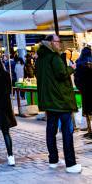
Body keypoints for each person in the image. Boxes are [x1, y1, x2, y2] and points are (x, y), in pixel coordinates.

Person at [36, 34, 81, 173]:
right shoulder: (54, 57)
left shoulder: (40, 59)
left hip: (49, 101)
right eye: (57, 41)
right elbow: (61, 74)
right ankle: (71, 164)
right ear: (50, 42)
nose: (60, 44)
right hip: (60, 101)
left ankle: (53, 160)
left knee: (51, 131)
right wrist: (72, 67)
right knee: (67, 131)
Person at [74, 46, 92, 139]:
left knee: (87, 111)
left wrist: (80, 88)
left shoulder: (79, 63)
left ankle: (90, 130)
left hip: (85, 92)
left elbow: (76, 78)